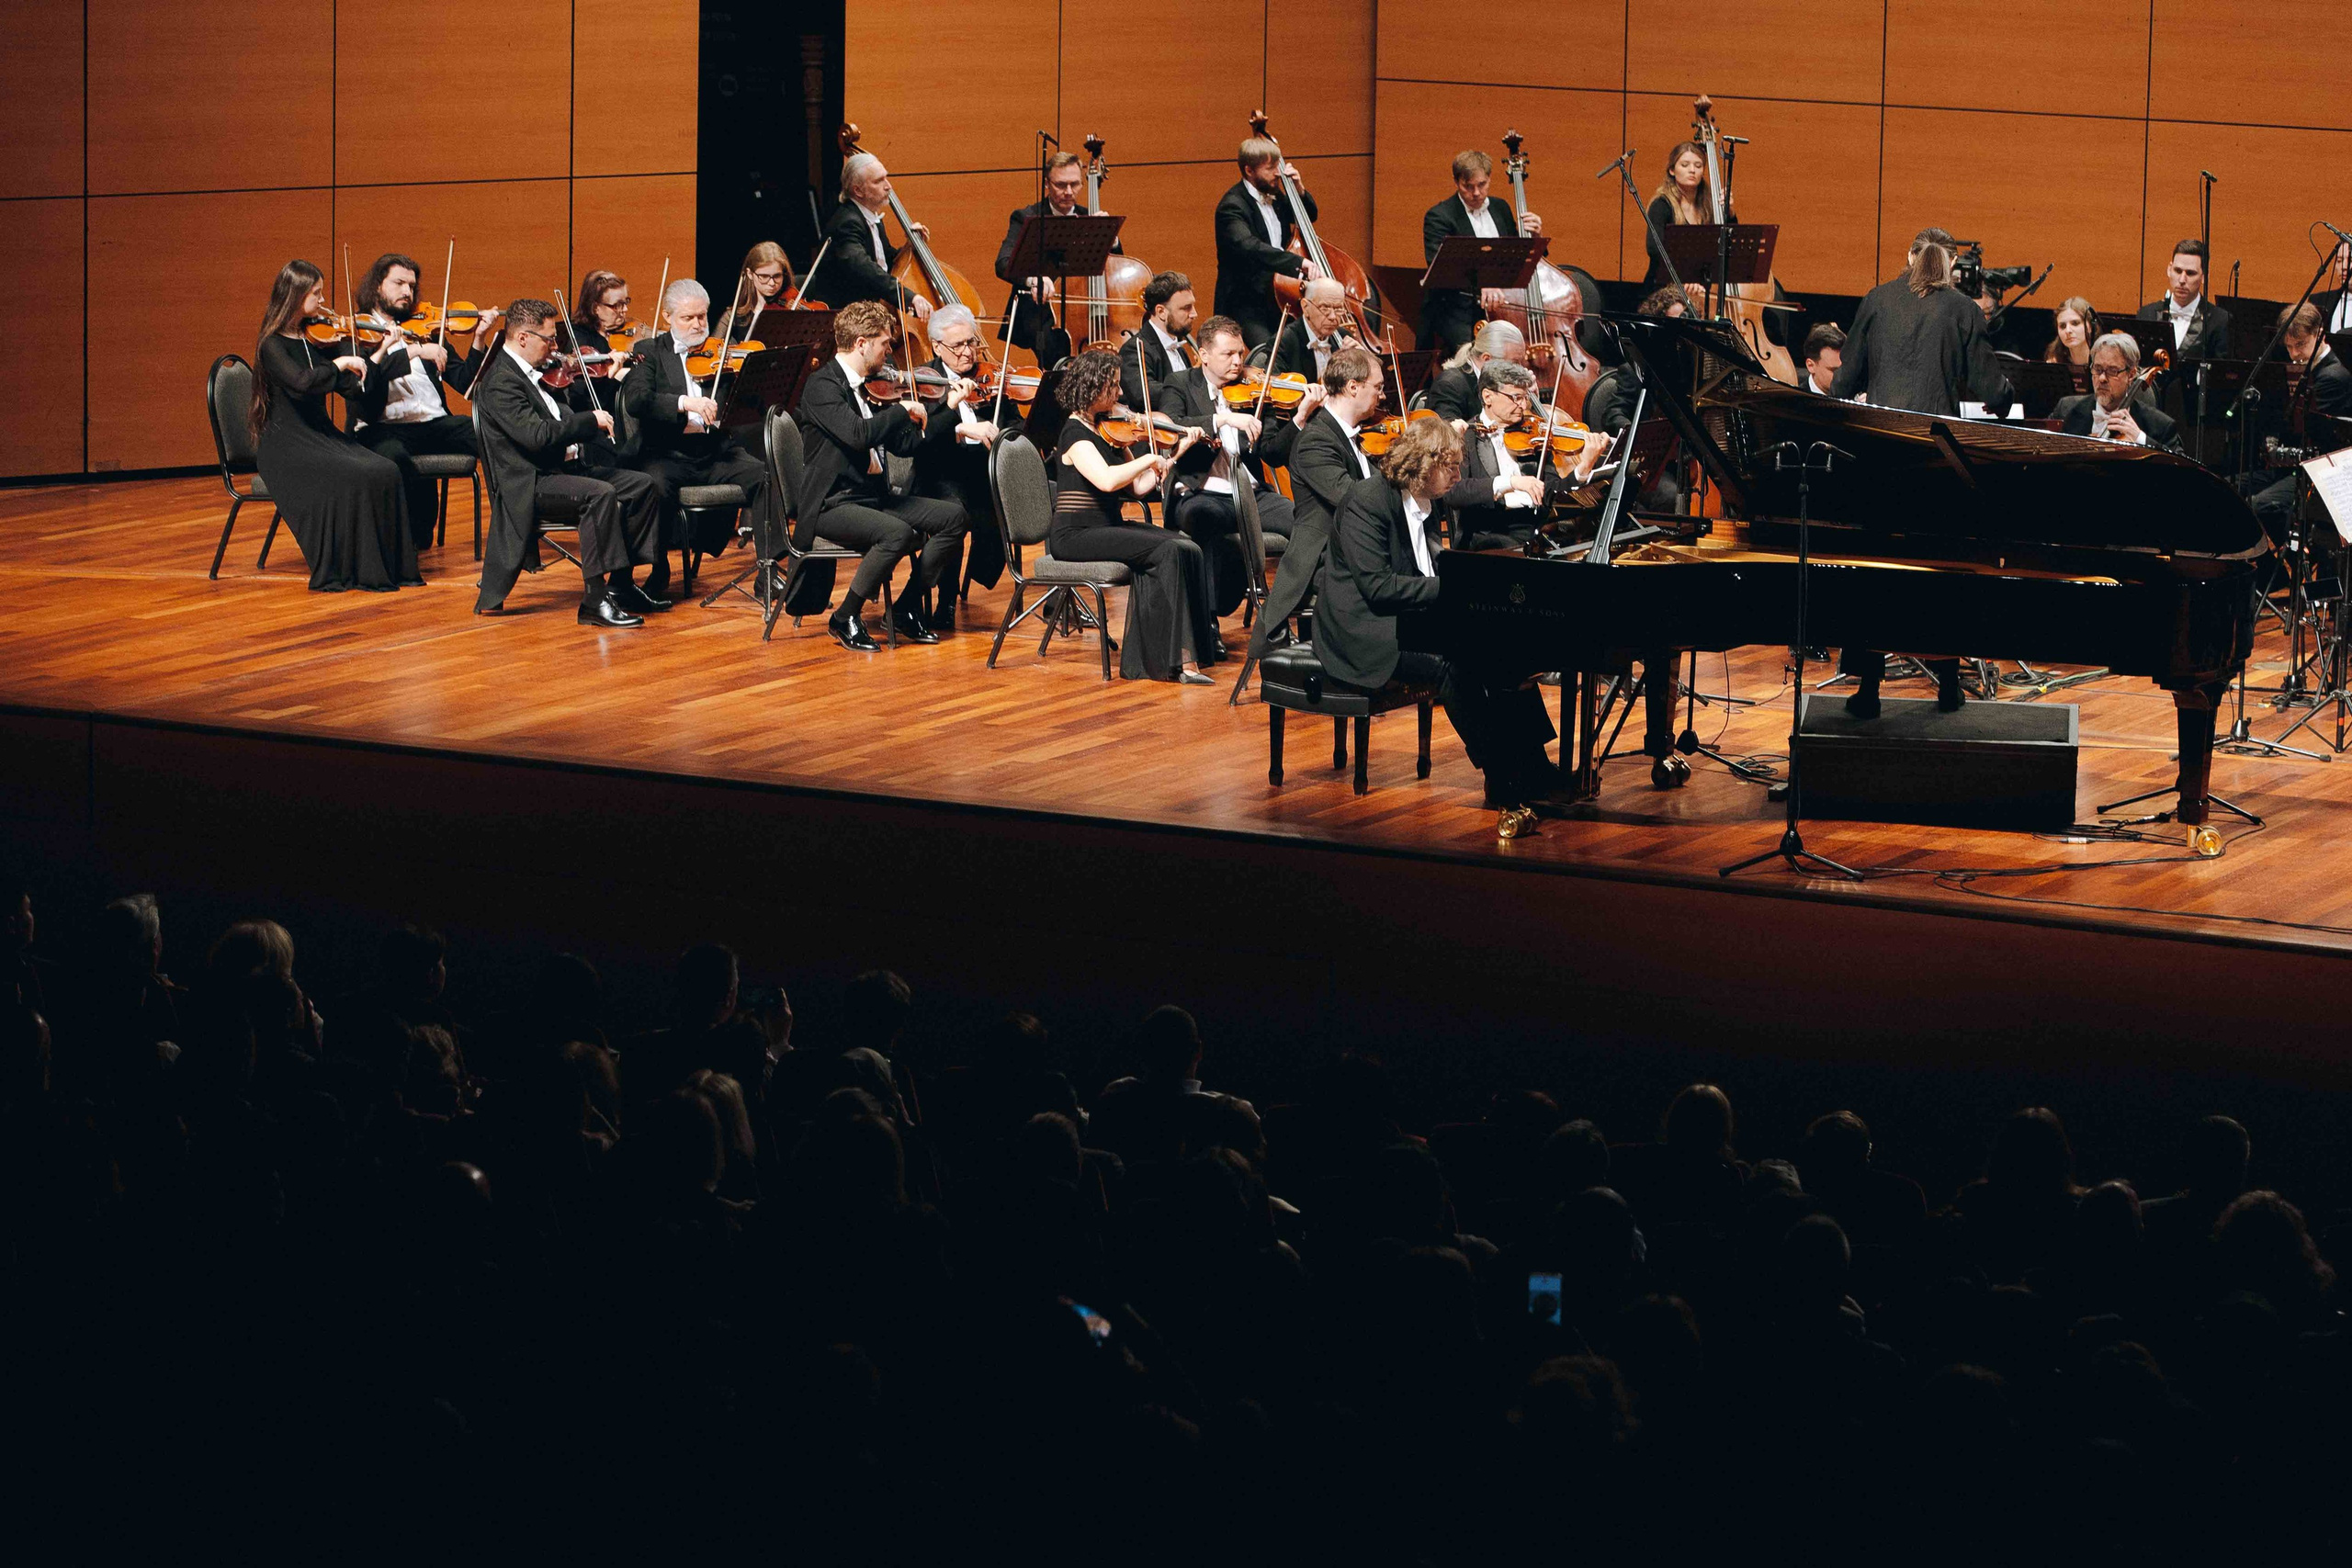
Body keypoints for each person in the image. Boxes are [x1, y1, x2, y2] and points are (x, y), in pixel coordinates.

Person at [1317, 417, 1562, 806]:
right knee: (1449, 662)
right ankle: (1501, 772)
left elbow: (1429, 569)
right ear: (1422, 465)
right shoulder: (1367, 502)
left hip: (1411, 613)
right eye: (1450, 467)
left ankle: (1535, 766)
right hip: (1363, 625)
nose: (1457, 476)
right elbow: (1377, 588)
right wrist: (1457, 588)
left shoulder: (1428, 497)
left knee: (1507, 645)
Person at [471, 298, 665, 626]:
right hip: (531, 481)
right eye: (549, 340)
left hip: (565, 469)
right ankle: (594, 600)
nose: (555, 348)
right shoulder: (501, 381)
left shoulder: (536, 373)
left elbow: (554, 418)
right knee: (599, 494)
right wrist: (588, 421)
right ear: (523, 338)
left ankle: (621, 584)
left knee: (643, 485)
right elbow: (536, 436)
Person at [787, 299, 968, 651]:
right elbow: (858, 435)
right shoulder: (822, 386)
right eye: (885, 343)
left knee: (953, 518)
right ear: (861, 344)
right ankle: (844, 617)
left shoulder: (873, 386)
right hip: (831, 502)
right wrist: (901, 410)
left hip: (871, 497)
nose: (889, 352)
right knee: (896, 533)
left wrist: (946, 409)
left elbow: (908, 445)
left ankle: (906, 608)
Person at [1048, 347, 1219, 683]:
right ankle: (1173, 663)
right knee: (1167, 550)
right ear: (1092, 386)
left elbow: (1139, 488)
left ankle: (1190, 652)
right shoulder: (1074, 434)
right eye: (1112, 385)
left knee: (1186, 546)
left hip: (1106, 528)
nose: (1120, 392)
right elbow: (1107, 480)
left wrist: (1175, 453)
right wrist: (1147, 459)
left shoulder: (1109, 428)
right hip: (1075, 535)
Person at [249, 259, 420, 593]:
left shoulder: (313, 339)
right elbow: (303, 382)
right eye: (316, 293)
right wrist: (341, 362)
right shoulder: (272, 345)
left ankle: (390, 568)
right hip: (286, 445)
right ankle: (353, 568)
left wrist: (378, 355)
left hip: (320, 435)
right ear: (296, 295)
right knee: (359, 474)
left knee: (385, 469)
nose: (322, 300)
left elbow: (350, 388)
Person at [621, 279, 774, 600]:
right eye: (687, 318)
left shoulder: (722, 351)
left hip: (714, 451)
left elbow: (751, 402)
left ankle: (767, 572)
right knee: (653, 486)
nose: (697, 324)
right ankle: (659, 568)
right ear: (667, 317)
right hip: (666, 453)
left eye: (702, 316)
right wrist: (684, 402)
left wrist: (754, 383)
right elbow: (637, 399)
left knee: (765, 477)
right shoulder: (649, 351)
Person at [348, 252, 497, 551]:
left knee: (492, 434)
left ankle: (516, 525)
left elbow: (466, 383)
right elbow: (364, 383)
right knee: (393, 456)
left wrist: (479, 338)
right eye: (399, 283)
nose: (408, 292)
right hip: (382, 428)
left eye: (412, 286)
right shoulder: (356, 331)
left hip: (433, 425)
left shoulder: (425, 329)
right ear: (377, 286)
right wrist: (413, 352)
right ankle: (407, 539)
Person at [1155, 314, 1302, 612]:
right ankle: (1208, 620)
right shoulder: (1180, 384)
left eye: (1240, 353)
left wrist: (1300, 418)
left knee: (1304, 521)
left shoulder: (1254, 388)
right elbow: (1171, 427)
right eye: (1228, 354)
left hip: (1251, 495)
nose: (1238, 362)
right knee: (1204, 518)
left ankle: (1289, 607)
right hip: (1200, 492)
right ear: (1204, 355)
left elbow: (1272, 452)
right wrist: (1221, 419)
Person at [1251, 347, 1385, 651]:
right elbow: (1353, 499)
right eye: (1377, 387)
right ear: (1353, 387)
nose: (1382, 395)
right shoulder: (1315, 440)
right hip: (1324, 560)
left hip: (1353, 550)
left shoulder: (1358, 436)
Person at [910, 304, 1019, 625]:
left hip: (983, 472)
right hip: (939, 473)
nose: (968, 352)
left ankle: (981, 576)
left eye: (971, 342)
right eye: (958, 345)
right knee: (953, 514)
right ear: (936, 347)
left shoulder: (990, 376)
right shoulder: (922, 381)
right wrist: (959, 428)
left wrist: (1003, 434)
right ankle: (945, 600)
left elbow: (1017, 423)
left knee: (1010, 505)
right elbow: (922, 439)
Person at [1829, 236, 2012, 417]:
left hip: (1881, 428)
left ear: (1911, 257)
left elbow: (1845, 380)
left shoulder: (1876, 299)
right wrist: (2001, 402)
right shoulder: (1966, 309)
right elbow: (1992, 390)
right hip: (1934, 431)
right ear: (1952, 262)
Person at [1443, 359, 1612, 550]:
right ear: (1488, 396)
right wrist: (1511, 482)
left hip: (1538, 528)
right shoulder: (1465, 437)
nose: (1524, 406)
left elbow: (1552, 492)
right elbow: (1453, 492)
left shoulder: (1533, 433)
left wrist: (1584, 467)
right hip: (1491, 535)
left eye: (1526, 397)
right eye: (1516, 398)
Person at [2239, 303, 2352, 547]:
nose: (2294, 354)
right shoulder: (2294, 367)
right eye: (2289, 347)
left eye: (2300, 345)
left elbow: (2309, 432)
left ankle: (2278, 562)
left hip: (2316, 472)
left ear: (2320, 335)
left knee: (2258, 505)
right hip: (2288, 467)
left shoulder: (2333, 376)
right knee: (2231, 487)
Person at [993, 151, 1114, 360]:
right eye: (1060, 185)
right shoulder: (1026, 217)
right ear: (1047, 184)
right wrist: (1033, 280)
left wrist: (1112, 238)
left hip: (1085, 313)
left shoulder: (1091, 218)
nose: (1068, 192)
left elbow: (1114, 265)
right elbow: (1003, 263)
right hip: (1043, 312)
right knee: (1053, 353)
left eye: (1074, 184)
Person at [1420, 149, 1538, 358]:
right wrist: (1483, 282)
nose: (1476, 193)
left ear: (1489, 179)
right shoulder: (1439, 216)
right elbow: (1442, 267)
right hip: (1458, 308)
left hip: (1501, 305)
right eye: (1468, 186)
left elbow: (1517, 258)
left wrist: (1534, 236)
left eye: (1482, 185)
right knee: (1473, 357)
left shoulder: (1501, 208)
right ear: (1457, 182)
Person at [1213, 135, 1321, 348]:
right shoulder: (1232, 206)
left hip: (1281, 296)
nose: (1277, 173)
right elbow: (1250, 246)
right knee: (1269, 354)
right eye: (1270, 168)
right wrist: (1299, 262)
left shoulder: (1274, 194)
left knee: (1303, 347)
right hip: (1247, 302)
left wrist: (1298, 189)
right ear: (1249, 170)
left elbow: (1309, 217)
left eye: (1277, 166)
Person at [807, 152, 933, 318]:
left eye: (886, 178)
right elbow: (866, 270)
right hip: (848, 317)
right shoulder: (846, 223)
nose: (888, 186)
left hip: (869, 311)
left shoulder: (870, 216)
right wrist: (909, 297)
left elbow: (886, 260)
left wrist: (911, 245)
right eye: (878, 181)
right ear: (858, 191)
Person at [2052, 333, 2180, 450]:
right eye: (2097, 369)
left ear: (2131, 375)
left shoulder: (2161, 425)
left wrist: (2139, 438)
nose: (2102, 378)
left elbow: (2180, 465)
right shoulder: (2066, 410)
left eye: (2112, 371)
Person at [1253, 276, 1362, 386]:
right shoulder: (1284, 342)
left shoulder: (1344, 337)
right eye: (1325, 308)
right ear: (1305, 307)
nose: (1333, 317)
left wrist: (1362, 361)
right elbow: (1275, 387)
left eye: (1338, 309)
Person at [1642, 141, 1720, 288]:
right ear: (1672, 170)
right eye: (1685, 165)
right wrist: (1685, 278)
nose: (1692, 170)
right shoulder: (1661, 205)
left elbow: (1726, 246)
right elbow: (1655, 250)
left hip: (1698, 287)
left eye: (1698, 166)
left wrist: (1730, 213)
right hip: (1663, 287)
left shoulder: (1709, 205)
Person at [2136, 240, 2229, 361]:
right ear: (2169, 269)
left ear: (2203, 277)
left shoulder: (2219, 320)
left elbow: (2221, 369)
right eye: (2178, 271)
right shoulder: (2146, 314)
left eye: (2190, 273)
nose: (2182, 280)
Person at [1422, 320, 1528, 423]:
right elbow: (1447, 432)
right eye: (1514, 363)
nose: (1520, 368)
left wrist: (1523, 397)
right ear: (1487, 360)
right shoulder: (1449, 386)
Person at [1124, 271, 1198, 414]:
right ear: (1161, 312)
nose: (1194, 314)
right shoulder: (1135, 349)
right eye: (1186, 308)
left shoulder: (1180, 350)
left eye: (1193, 306)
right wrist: (1193, 385)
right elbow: (1144, 394)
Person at [715, 241, 790, 344]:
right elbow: (712, 349)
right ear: (750, 274)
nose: (772, 283)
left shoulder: (790, 311)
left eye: (777, 276)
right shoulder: (734, 317)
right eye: (764, 276)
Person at [2043, 296, 2099, 385]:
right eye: (2062, 326)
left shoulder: (2105, 358)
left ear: (2090, 327)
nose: (2068, 330)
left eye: (2075, 323)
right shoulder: (2054, 360)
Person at [1802, 323, 1845, 395]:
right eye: (1834, 370)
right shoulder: (1796, 399)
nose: (1841, 377)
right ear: (1811, 366)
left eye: (1844, 369)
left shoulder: (1855, 394)